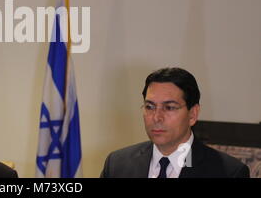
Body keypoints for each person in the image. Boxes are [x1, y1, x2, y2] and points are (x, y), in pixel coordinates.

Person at [100, 67, 250, 178]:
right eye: (150, 107)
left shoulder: (229, 173)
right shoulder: (117, 165)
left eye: (169, 107)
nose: (156, 117)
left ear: (193, 114)